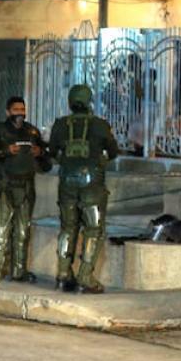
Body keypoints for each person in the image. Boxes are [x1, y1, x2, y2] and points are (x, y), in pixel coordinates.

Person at [46, 84, 120, 294]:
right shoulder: (100, 125)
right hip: (92, 184)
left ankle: (62, 274)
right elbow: (113, 151)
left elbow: (52, 151)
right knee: (93, 229)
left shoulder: (60, 125)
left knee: (67, 228)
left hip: (67, 183)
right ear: (89, 101)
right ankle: (85, 277)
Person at [0, 96, 50, 284]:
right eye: (16, 110)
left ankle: (19, 271)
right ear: (8, 112)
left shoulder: (32, 132)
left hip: (26, 187)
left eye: (22, 109)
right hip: (5, 187)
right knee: (0, 232)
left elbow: (46, 164)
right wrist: (4, 152)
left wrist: (40, 153)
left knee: (23, 232)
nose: (20, 113)